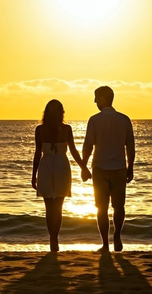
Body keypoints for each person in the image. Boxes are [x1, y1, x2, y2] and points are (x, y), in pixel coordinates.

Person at [32, 100, 92, 252]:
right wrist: (84, 167)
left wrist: (34, 175)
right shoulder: (66, 129)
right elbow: (73, 151)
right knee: (58, 207)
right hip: (61, 166)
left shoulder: (40, 130)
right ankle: (55, 240)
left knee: (49, 208)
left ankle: (52, 239)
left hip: (45, 166)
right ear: (61, 113)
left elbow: (38, 154)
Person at [82, 86, 135, 252]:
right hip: (119, 168)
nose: (94, 102)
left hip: (100, 169)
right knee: (119, 207)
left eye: (96, 98)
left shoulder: (94, 120)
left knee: (101, 208)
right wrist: (130, 167)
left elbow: (88, 145)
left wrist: (84, 166)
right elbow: (130, 147)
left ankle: (105, 243)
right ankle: (117, 237)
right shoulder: (124, 120)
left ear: (103, 99)